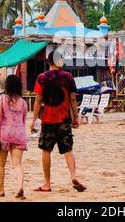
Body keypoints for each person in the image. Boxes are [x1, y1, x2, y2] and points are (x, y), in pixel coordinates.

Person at [31, 50, 86, 193]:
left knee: (46, 151)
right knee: (68, 150)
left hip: (48, 120)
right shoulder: (68, 77)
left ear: (49, 62)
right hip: (64, 120)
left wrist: (33, 120)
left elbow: (38, 100)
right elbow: (73, 98)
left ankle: (47, 184)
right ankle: (73, 176)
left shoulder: (42, 78)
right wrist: (75, 116)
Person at [0, 75, 28, 200]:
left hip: (4, 135)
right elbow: (23, 120)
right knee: (17, 165)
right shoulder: (23, 103)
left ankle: (1, 190)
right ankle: (20, 187)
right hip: (19, 135)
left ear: (7, 86)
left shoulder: (2, 99)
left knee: (0, 165)